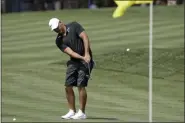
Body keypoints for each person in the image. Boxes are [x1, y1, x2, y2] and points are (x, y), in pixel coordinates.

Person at [48, 18, 94, 119]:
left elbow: (85, 37)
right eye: (55, 30)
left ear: (61, 22)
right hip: (74, 61)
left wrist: (86, 54)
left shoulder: (74, 26)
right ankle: (71, 111)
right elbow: (71, 52)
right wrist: (82, 57)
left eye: (57, 27)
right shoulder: (58, 41)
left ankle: (82, 112)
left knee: (80, 85)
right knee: (68, 85)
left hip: (86, 60)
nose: (57, 30)